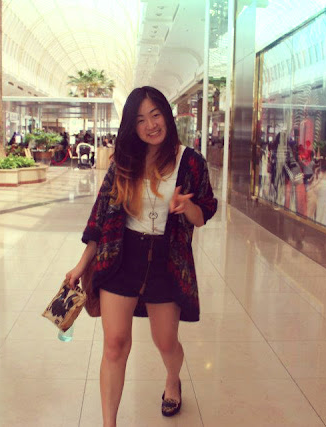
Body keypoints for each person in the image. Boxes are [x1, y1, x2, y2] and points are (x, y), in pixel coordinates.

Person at [65, 86, 217, 426]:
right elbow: (100, 219)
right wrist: (80, 266)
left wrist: (187, 207)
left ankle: (172, 380)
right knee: (115, 344)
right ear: (131, 126)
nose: (150, 125)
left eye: (156, 115)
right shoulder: (125, 162)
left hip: (166, 261)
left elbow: (203, 214)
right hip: (121, 257)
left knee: (166, 342)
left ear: (167, 116)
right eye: (140, 120)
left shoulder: (190, 162)